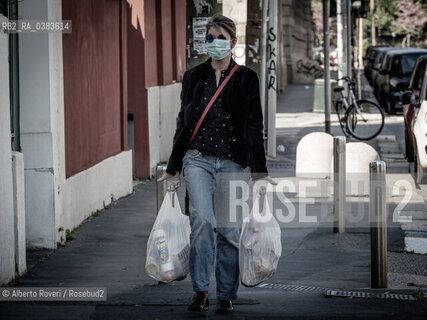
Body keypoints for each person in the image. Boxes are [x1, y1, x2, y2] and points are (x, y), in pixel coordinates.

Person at [157, 13, 276, 314]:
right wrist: (173, 168)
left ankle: (225, 293)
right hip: (198, 160)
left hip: (234, 164)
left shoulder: (247, 78)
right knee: (202, 222)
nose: (214, 43)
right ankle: (201, 290)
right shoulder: (193, 77)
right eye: (210, 38)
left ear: (233, 43)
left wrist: (260, 174)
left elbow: (254, 127)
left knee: (229, 229)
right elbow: (183, 124)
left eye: (221, 38)